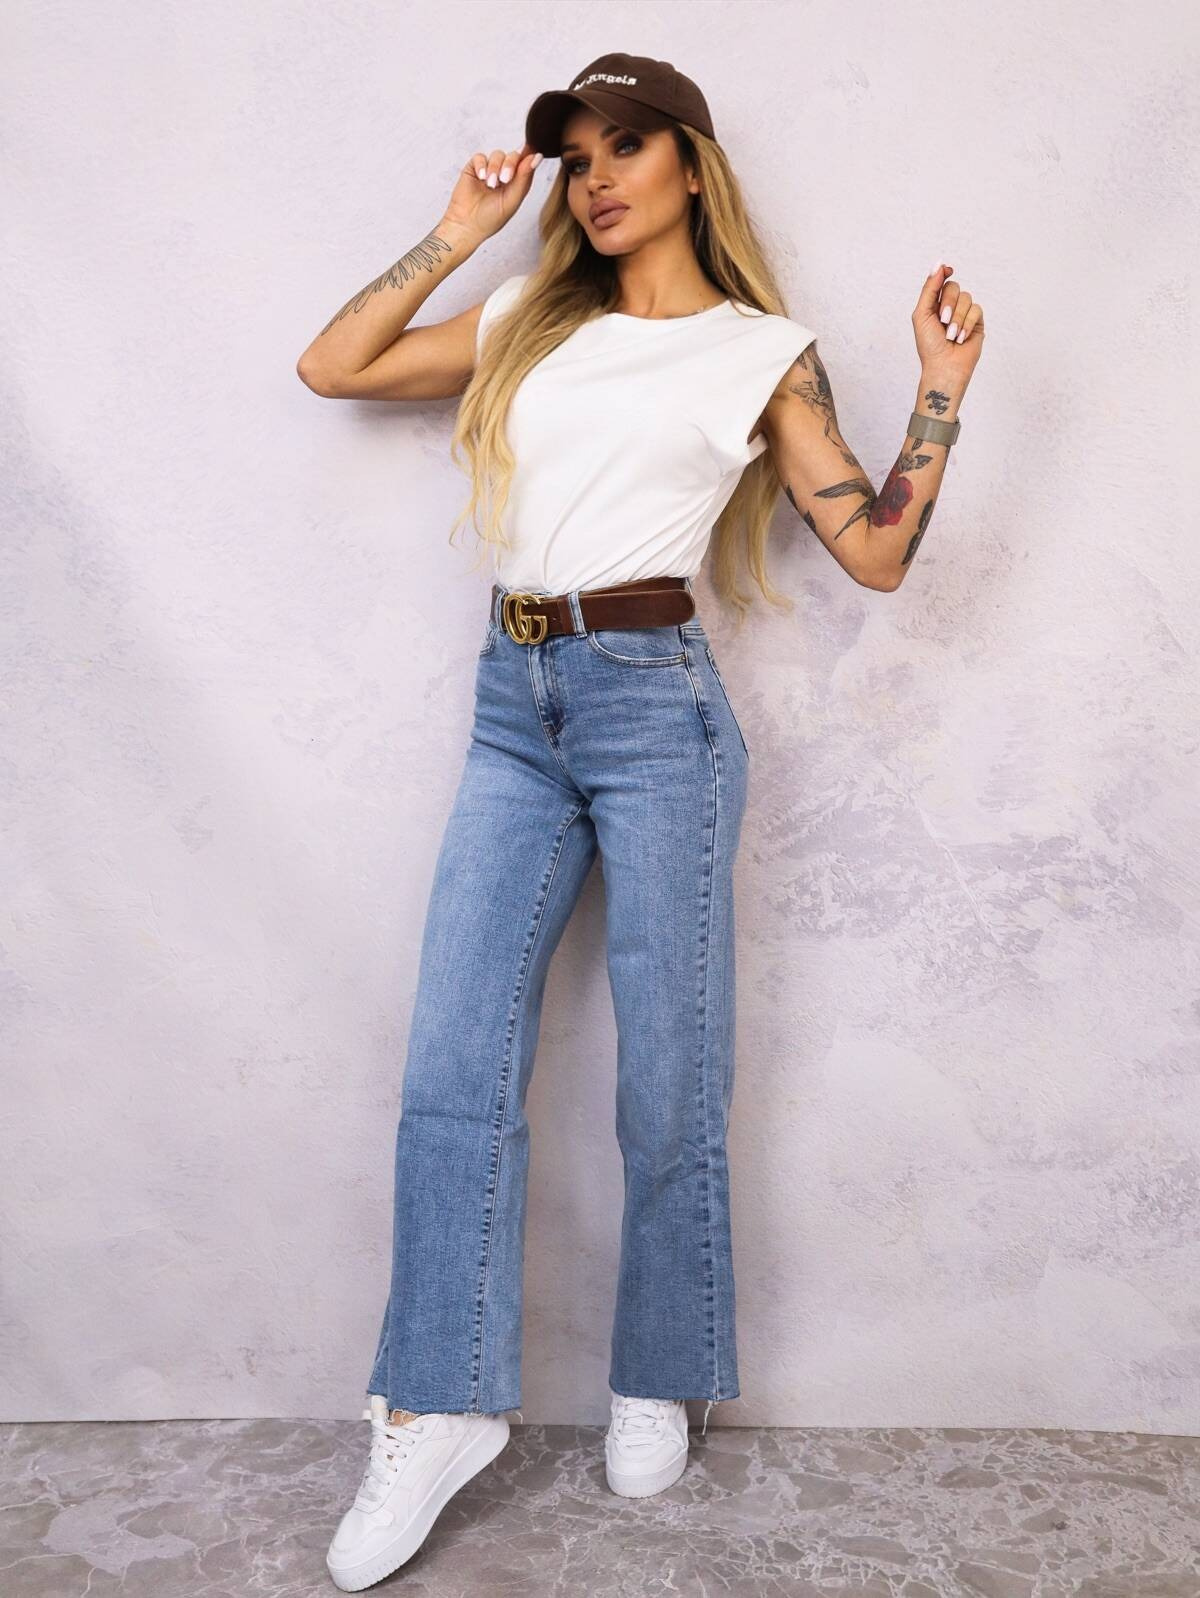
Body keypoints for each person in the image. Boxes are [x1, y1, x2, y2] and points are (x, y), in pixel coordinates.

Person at [296, 49, 985, 1593]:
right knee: (452, 1061)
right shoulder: (531, 326)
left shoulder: (762, 355)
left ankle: (658, 1370)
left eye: (624, 147)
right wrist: (461, 230)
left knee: (670, 1076)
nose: (596, 178)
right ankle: (436, 1404)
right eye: (577, 156)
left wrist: (940, 389)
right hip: (512, 707)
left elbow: (875, 551)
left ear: (689, 165)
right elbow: (334, 365)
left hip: (656, 710)